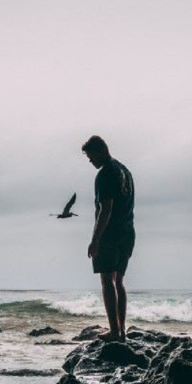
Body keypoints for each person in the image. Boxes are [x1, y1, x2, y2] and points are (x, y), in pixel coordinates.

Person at [82, 136, 135, 342]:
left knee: (106, 280)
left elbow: (106, 208)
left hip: (110, 234)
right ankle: (121, 331)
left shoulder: (104, 174)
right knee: (119, 282)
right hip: (128, 232)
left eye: (91, 156)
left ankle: (114, 331)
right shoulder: (125, 171)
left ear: (102, 150)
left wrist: (95, 239)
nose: (90, 161)